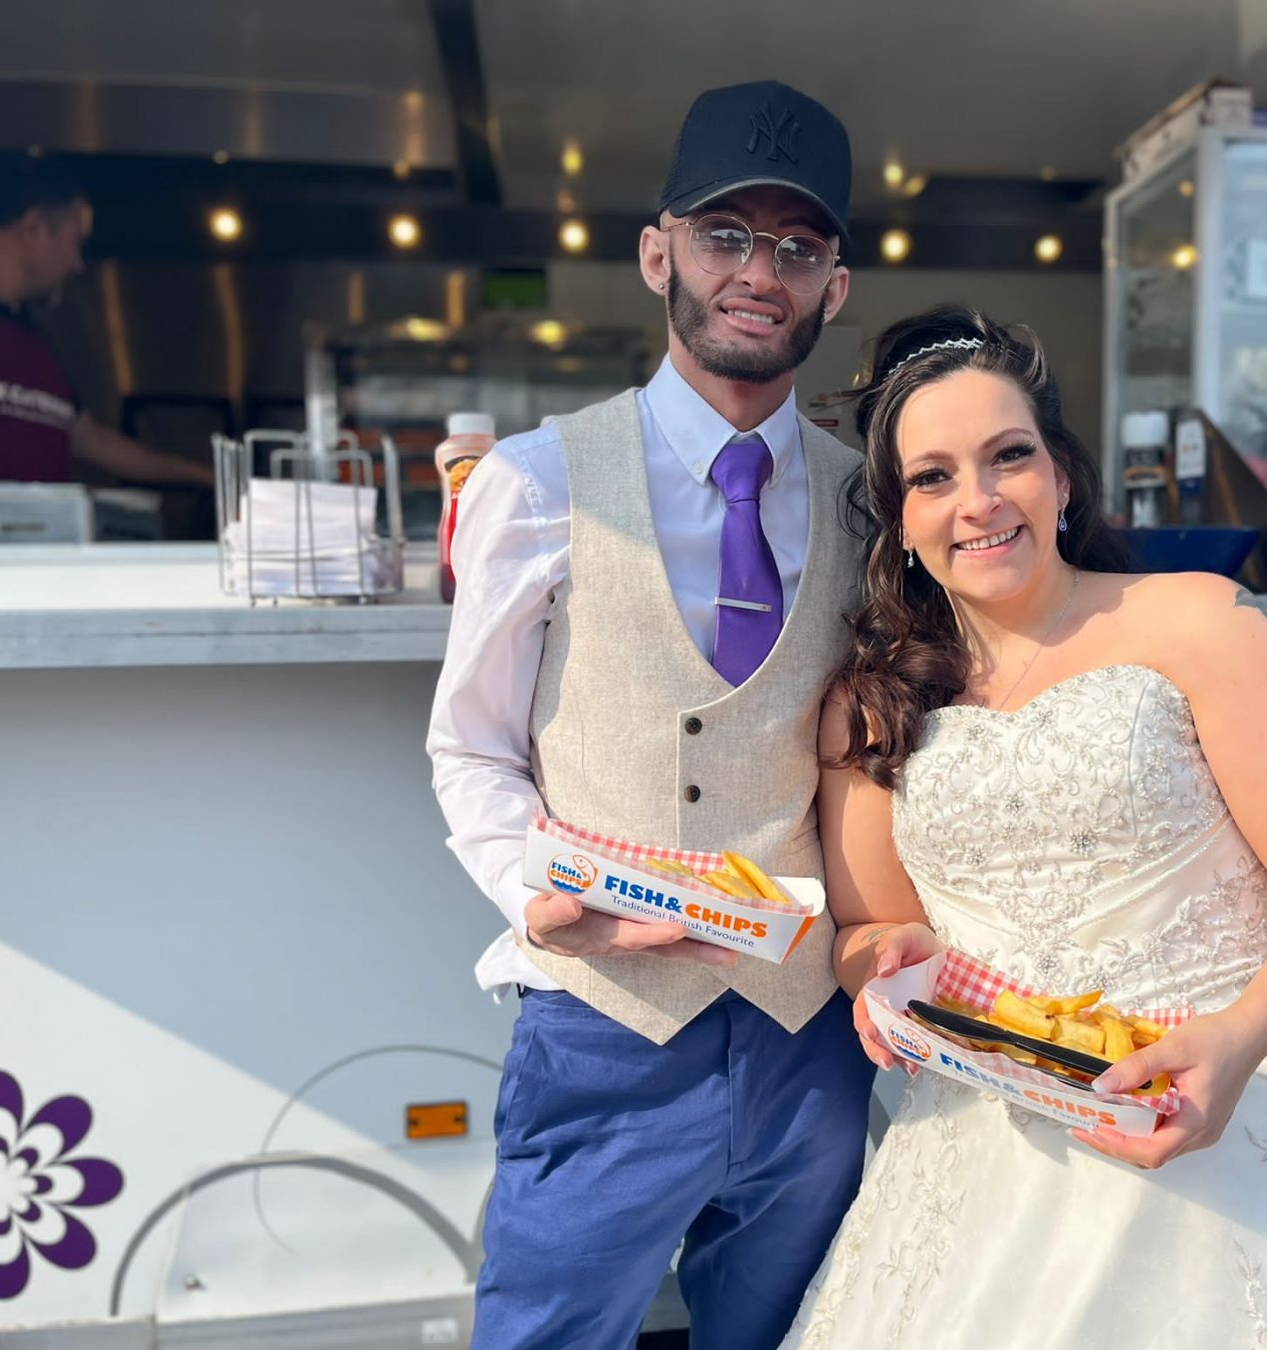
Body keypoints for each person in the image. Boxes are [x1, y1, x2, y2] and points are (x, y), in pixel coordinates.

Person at [781, 306, 1267, 1348]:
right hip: (981, 1172)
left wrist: (1243, 1034)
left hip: (1232, 1135)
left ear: (1064, 476)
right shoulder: (868, 706)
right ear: (898, 519)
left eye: (1010, 458)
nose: (980, 502)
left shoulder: (1200, 626)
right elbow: (869, 933)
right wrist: (878, 963)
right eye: (934, 477)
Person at [427, 81, 875, 1350]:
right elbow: (470, 744)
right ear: (658, 251)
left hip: (809, 1037)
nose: (759, 272)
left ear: (833, 286)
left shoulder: (869, 504)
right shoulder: (536, 482)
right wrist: (531, 891)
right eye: (728, 233)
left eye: (796, 246)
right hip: (606, 1028)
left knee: (794, 1336)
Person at [0, 155, 213, 488]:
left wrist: (215, 479)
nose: (78, 264)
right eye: (76, 243)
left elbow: (90, 439)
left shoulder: (32, 334)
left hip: (44, 538)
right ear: (34, 229)